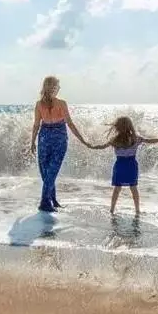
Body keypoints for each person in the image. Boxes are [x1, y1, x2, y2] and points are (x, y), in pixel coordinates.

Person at [30, 76, 90, 212]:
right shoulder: (61, 103)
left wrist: (32, 141)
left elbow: (36, 125)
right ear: (54, 88)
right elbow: (70, 123)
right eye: (58, 86)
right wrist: (82, 139)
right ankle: (45, 202)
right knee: (50, 171)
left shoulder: (39, 104)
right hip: (58, 138)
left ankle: (52, 200)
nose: (60, 88)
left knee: (47, 172)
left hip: (44, 137)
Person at [88, 116, 158, 215]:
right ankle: (137, 210)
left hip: (120, 165)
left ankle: (112, 210)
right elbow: (150, 141)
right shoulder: (135, 139)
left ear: (117, 127)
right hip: (131, 166)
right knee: (133, 189)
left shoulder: (115, 140)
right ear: (130, 126)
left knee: (117, 189)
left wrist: (90, 146)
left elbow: (101, 147)